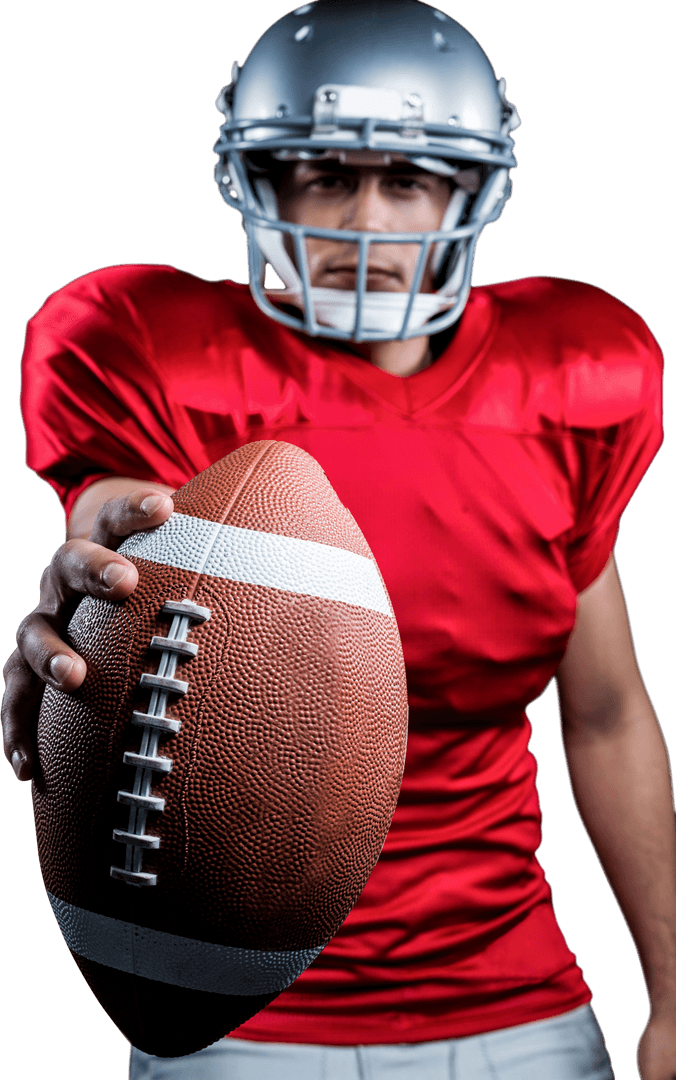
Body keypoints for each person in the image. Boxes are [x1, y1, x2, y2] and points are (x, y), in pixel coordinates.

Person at [2, 1, 673, 1078]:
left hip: (514, 1002)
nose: (365, 219)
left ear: (472, 191)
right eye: (324, 173)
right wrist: (87, 576)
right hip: (234, 1015)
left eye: (406, 179)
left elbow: (602, 714)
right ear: (258, 183)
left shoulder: (569, 381)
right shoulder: (147, 350)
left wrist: (672, 996)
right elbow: (117, 525)